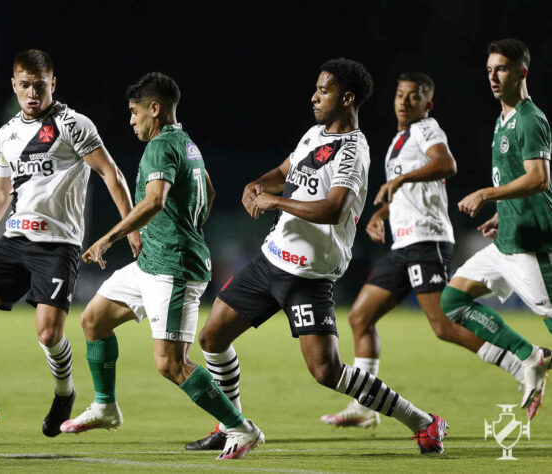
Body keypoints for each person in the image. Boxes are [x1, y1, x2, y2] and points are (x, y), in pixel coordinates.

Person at [187, 58, 449, 455]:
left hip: (308, 276)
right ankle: (232, 425)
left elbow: (335, 209)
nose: (314, 96)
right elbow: (283, 170)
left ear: (346, 98)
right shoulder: (313, 135)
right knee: (211, 336)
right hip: (268, 261)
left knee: (326, 372)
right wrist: (257, 183)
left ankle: (424, 421)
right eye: (316, 88)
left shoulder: (353, 151)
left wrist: (275, 200)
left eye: (323, 90)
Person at [59, 72, 264, 460]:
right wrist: (182, 223)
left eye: (135, 112)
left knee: (171, 364)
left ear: (155, 109)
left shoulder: (160, 146)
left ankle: (241, 428)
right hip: (153, 261)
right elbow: (209, 191)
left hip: (173, 266)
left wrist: (109, 237)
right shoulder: (187, 144)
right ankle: (105, 406)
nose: (131, 120)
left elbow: (154, 201)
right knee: (93, 321)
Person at [0, 49, 140, 438]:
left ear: (53, 84)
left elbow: (110, 173)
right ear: (14, 86)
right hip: (15, 238)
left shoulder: (73, 124)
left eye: (40, 85)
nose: (32, 93)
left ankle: (65, 393)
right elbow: (1, 193)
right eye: (25, 85)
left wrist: (131, 226)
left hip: (58, 244)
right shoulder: (7, 134)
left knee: (48, 334)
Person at [320, 72, 526, 429]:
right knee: (359, 317)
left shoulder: (426, 128)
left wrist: (398, 179)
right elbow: (409, 192)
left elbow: (447, 164)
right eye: (400, 94)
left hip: (427, 240)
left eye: (414, 96)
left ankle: (519, 365)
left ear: (427, 104)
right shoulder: (399, 140)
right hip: (403, 244)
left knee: (443, 324)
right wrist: (382, 214)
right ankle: (364, 406)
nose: (404, 101)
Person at [441, 38, 552, 420]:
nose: (492, 76)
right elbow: (519, 180)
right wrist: (502, 212)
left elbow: (539, 179)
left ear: (522, 71)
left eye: (501, 68)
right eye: (489, 69)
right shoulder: (503, 118)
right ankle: (528, 355)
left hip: (532, 247)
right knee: (453, 301)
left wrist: (487, 194)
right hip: (507, 239)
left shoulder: (529, 119)